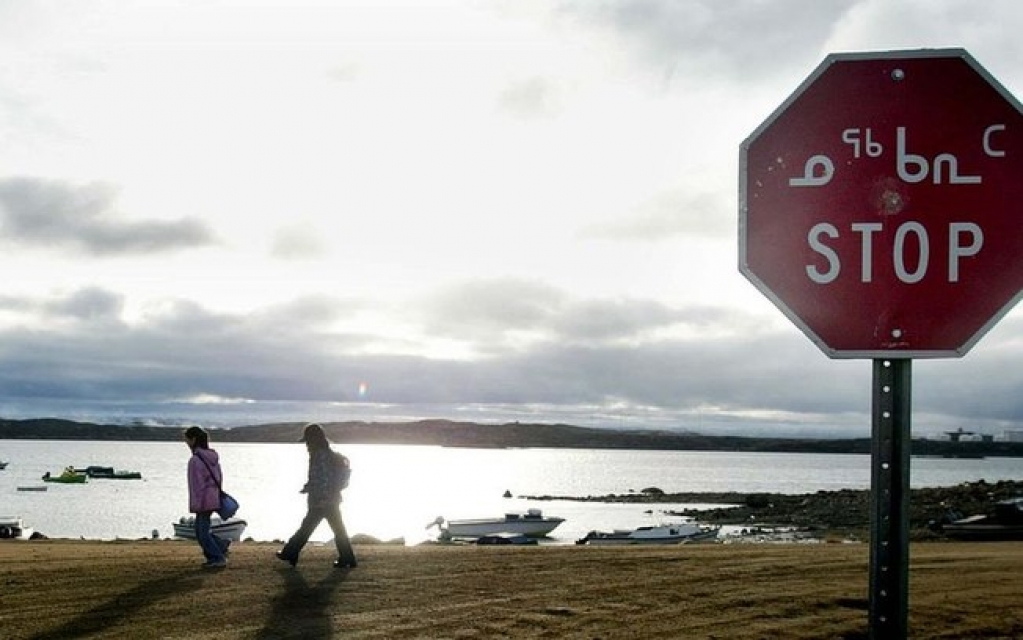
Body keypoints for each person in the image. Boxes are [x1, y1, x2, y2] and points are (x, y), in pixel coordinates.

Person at [276, 422, 357, 569]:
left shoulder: (319, 455)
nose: (306, 445)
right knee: (335, 529)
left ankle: (290, 552)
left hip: (321, 499)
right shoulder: (327, 454)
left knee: (307, 527)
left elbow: (322, 478)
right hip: (330, 498)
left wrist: (321, 497)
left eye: (307, 440)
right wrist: (309, 487)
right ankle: (348, 558)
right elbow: (322, 478)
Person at [184, 425, 230, 569]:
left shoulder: (195, 460)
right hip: (212, 497)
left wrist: (196, 504)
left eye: (187, 440)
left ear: (193, 440)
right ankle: (221, 546)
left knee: (201, 532)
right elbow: (219, 477)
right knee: (201, 530)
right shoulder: (212, 458)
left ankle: (217, 557)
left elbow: (196, 485)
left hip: (203, 500)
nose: (186, 443)